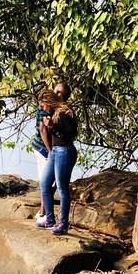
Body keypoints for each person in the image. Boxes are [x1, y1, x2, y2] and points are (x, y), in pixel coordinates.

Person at [36, 90, 78, 235]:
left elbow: (72, 132)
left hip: (65, 151)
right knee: (44, 184)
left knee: (62, 188)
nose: (42, 108)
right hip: (55, 151)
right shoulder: (54, 114)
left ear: (49, 102)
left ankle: (63, 223)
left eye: (43, 105)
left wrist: (54, 125)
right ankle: (49, 219)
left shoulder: (63, 112)